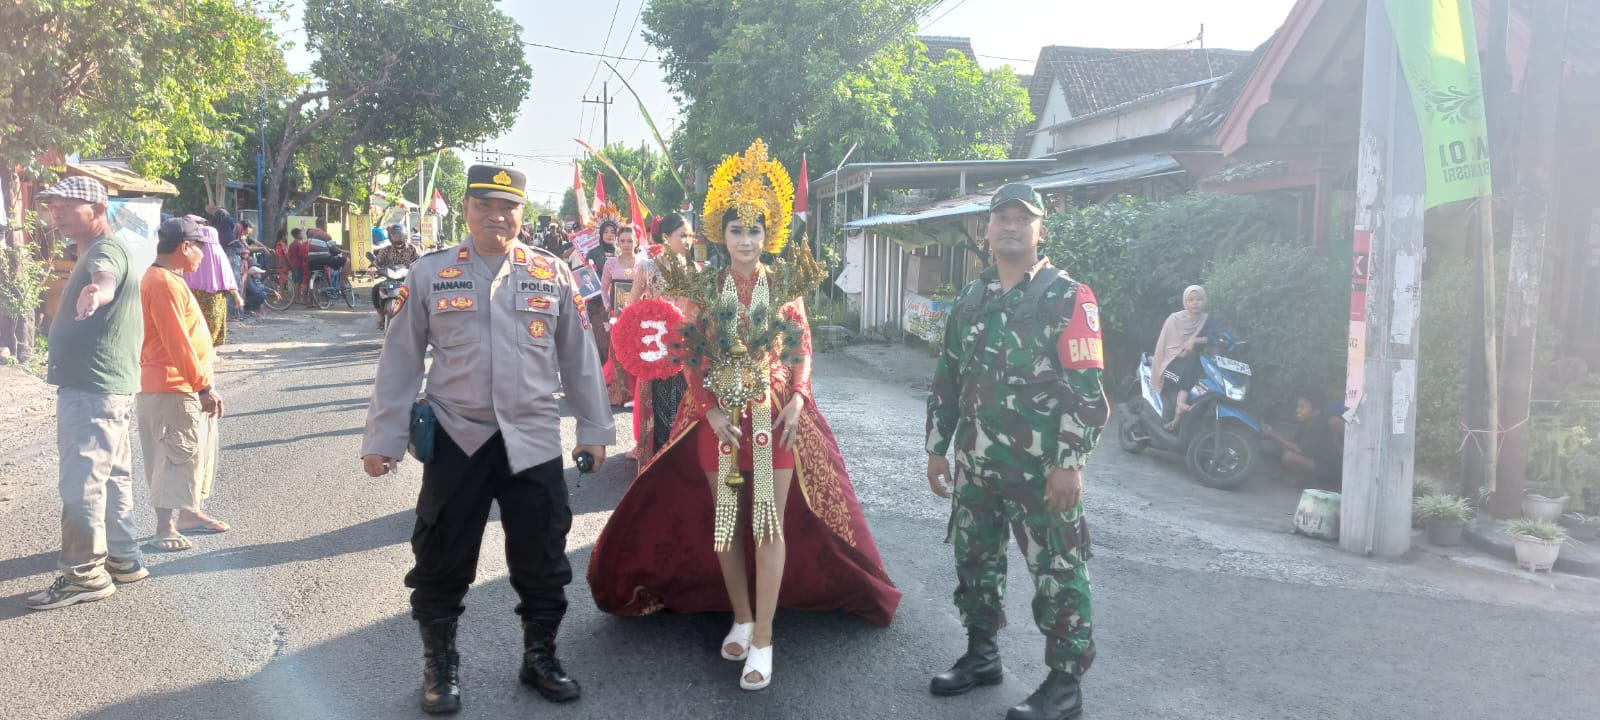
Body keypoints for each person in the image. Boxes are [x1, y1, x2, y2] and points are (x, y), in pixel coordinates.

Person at [588, 140, 900, 692]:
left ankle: (764, 639)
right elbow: (690, 354)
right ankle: (741, 615)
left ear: (768, 235)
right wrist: (706, 412)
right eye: (736, 231)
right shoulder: (704, 289)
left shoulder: (784, 285)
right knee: (727, 523)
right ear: (721, 234)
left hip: (775, 415)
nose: (747, 240)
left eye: (755, 231)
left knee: (767, 523)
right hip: (720, 420)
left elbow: (800, 346)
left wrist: (800, 397)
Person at [360, 165, 614, 714]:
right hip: (458, 435)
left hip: (535, 436)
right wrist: (383, 436)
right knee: (441, 558)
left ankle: (539, 656)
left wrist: (594, 430)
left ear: (522, 211)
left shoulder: (550, 273)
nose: (496, 216)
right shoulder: (431, 274)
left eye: (508, 207)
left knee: (544, 556)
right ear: (466, 208)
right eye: (484, 205)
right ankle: (440, 665)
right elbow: (400, 360)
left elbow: (580, 359)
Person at [925, 183, 1108, 720]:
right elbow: (948, 379)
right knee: (975, 562)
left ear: (1039, 229)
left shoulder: (1069, 296)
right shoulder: (971, 299)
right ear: (986, 228)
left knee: (1058, 571)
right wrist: (938, 447)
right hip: (977, 466)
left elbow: (1088, 390)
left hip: (1043, 473)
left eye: (1021, 218)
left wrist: (1070, 462)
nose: (1009, 225)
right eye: (1000, 217)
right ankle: (982, 655)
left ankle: (1064, 686)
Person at [27, 176, 148, 611]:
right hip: (106, 386)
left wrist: (97, 292)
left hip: (92, 387)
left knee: (82, 483)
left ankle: (83, 575)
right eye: (51, 205)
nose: (55, 211)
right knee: (113, 476)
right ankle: (123, 558)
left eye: (66, 205)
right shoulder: (99, 248)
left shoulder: (105, 250)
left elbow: (106, 278)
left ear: (97, 209)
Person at [140, 217, 230, 553]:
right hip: (173, 386)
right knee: (173, 454)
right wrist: (202, 386)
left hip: (182, 384)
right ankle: (165, 527)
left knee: (192, 451)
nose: (203, 258)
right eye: (201, 250)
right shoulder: (162, 283)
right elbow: (176, 341)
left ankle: (189, 513)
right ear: (184, 247)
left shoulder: (169, 279)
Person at [626, 212, 696, 463]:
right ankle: (655, 453)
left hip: (687, 348)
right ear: (665, 237)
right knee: (655, 402)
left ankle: (681, 450)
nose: (688, 241)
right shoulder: (647, 268)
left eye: (690, 235)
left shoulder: (695, 270)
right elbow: (631, 307)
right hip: (656, 346)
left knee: (685, 399)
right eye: (682, 235)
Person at [1151, 285, 1215, 430]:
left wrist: (1195, 340)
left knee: (1193, 361)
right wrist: (1179, 352)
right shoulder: (1174, 319)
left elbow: (1216, 335)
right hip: (1170, 362)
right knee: (1191, 361)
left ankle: (1181, 407)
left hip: (1191, 362)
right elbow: (1165, 346)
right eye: (1191, 299)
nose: (1195, 303)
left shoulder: (1205, 319)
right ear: (1185, 301)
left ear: (1204, 301)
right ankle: (1179, 410)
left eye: (1199, 299)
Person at [183, 219, 243, 347]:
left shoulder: (192, 254)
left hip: (192, 294)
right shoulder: (218, 253)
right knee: (213, 325)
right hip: (214, 297)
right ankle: (209, 351)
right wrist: (237, 296)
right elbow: (228, 277)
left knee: (194, 324)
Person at [1265, 396, 1345, 490]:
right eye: (1298, 407)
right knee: (1286, 449)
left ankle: (1319, 482)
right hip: (1318, 460)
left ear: (1316, 411)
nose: (1298, 410)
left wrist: (1275, 435)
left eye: (1302, 408)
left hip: (1332, 470)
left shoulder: (1321, 427)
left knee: (1289, 456)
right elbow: (1293, 441)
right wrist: (1273, 432)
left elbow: (1299, 449)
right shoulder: (1306, 423)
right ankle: (1311, 480)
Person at [600, 224, 640, 407]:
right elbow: (604, 289)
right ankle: (618, 393)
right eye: (622, 241)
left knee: (635, 352)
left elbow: (646, 289)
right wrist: (610, 308)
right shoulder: (610, 264)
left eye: (630, 241)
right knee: (617, 353)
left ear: (636, 242)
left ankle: (636, 394)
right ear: (618, 242)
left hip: (637, 315)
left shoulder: (643, 263)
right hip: (617, 315)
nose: (626, 244)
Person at [370, 228, 422, 330]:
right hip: (390, 280)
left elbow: (421, 260)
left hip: (407, 280)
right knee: (375, 289)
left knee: (420, 292)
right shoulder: (386, 250)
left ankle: (420, 319)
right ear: (390, 237)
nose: (397, 239)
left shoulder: (412, 249)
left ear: (405, 237)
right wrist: (372, 267)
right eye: (395, 236)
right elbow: (376, 262)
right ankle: (380, 316)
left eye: (399, 236)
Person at [287, 228, 310, 304]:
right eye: (300, 233)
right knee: (298, 282)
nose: (302, 235)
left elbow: (289, 255)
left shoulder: (292, 244)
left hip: (294, 265)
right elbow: (301, 255)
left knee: (296, 281)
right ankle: (297, 298)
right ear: (297, 235)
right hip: (298, 265)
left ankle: (295, 298)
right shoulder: (298, 244)